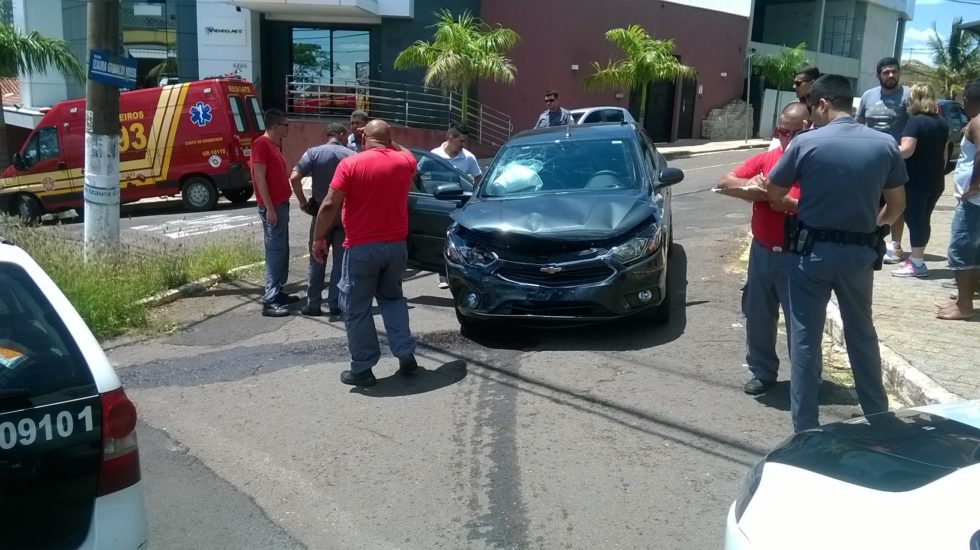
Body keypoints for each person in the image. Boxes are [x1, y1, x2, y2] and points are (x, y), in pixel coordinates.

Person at [767, 74, 907, 432]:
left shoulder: (805, 142)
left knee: (804, 339)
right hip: (859, 255)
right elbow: (896, 207)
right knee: (862, 335)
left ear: (824, 104)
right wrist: (872, 226)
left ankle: (806, 429)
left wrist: (798, 205)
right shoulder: (885, 144)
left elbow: (775, 193)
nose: (811, 117)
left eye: (813, 109)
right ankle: (879, 419)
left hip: (811, 255)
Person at [311, 119, 420, 386]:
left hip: (361, 248)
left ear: (362, 139)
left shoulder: (350, 164)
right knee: (393, 299)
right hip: (396, 247)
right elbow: (407, 153)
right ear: (389, 139)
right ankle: (405, 354)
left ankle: (362, 368)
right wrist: (388, 140)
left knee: (356, 308)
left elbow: (328, 205)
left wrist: (318, 238)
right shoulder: (405, 163)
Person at [716, 103, 810, 395]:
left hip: (798, 254)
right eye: (783, 131)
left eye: (795, 132)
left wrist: (789, 204)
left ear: (809, 128)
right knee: (758, 315)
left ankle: (806, 379)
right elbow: (724, 182)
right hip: (762, 252)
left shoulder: (816, 165)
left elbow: (827, 208)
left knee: (801, 324)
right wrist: (751, 184)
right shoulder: (768, 159)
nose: (788, 138)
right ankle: (763, 371)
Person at [289, 122, 354, 316]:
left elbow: (294, 177)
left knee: (317, 258)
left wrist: (302, 202)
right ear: (342, 134)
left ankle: (314, 304)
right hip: (343, 215)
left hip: (320, 214)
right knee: (341, 262)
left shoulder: (313, 153)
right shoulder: (352, 156)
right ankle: (335, 304)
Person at [891, 83, 950, 278]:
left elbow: (906, 150)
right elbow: (943, 154)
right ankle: (918, 258)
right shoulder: (941, 121)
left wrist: (887, 149)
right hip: (935, 179)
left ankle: (916, 263)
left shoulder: (915, 121)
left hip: (915, 180)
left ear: (914, 99)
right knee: (924, 219)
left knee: (914, 220)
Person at [857, 57, 911, 263]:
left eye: (894, 72)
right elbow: (860, 123)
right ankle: (869, 237)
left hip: (897, 160)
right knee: (869, 201)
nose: (891, 75)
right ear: (878, 75)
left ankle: (895, 245)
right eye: (886, 72)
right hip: (870, 160)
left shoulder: (908, 96)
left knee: (896, 202)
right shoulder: (868, 96)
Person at [936, 78, 980, 321]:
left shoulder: (978, 120)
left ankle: (964, 305)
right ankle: (966, 301)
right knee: (974, 252)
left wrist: (974, 185)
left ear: (968, 100)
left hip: (974, 202)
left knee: (962, 251)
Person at [251, 108, 298, 318]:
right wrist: (269, 208)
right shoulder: (261, 144)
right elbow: (259, 178)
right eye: (286, 125)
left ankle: (278, 291)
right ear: (275, 126)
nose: (289, 128)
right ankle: (269, 301)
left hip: (281, 204)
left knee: (282, 251)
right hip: (273, 207)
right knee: (275, 253)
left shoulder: (273, 145)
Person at [431, 123, 483, 289]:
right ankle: (441, 273)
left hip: (460, 205)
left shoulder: (468, 157)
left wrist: (474, 200)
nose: (463, 145)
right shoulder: (434, 155)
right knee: (438, 237)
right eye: (461, 141)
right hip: (438, 203)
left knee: (458, 239)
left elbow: (478, 179)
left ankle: (458, 273)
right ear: (450, 138)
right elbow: (420, 174)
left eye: (465, 141)